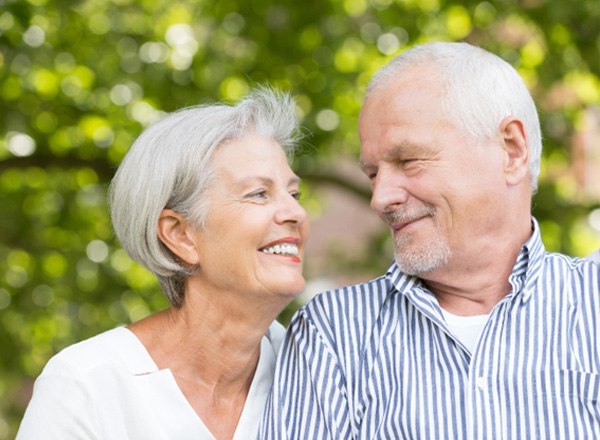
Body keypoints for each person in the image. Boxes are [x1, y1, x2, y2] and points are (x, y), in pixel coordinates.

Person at [260, 42, 600, 439]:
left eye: (409, 161)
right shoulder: (332, 334)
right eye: (373, 174)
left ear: (511, 150)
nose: (381, 198)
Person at [17, 87, 309, 439]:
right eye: (258, 194)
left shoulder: (316, 369)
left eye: (293, 194)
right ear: (181, 235)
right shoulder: (87, 386)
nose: (295, 212)